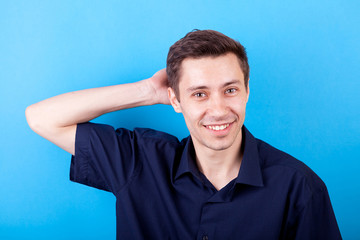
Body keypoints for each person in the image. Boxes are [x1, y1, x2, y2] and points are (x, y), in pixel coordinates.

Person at [26, 30, 342, 239]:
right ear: (175, 100)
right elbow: (42, 118)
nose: (218, 109)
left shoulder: (300, 187)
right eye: (199, 94)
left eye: (230, 90)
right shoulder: (139, 162)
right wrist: (147, 90)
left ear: (246, 92)